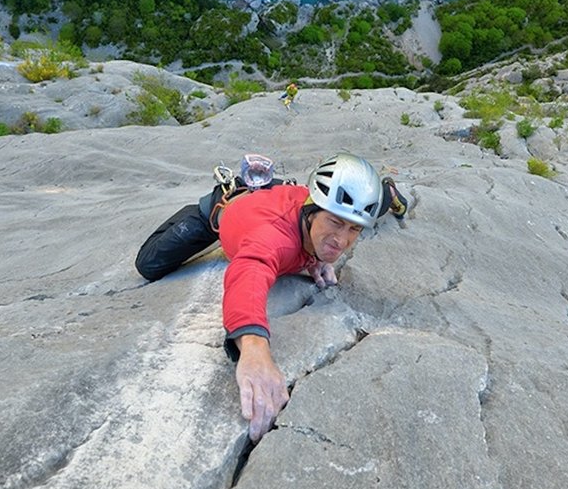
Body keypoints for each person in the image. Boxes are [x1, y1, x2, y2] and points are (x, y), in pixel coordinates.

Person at [134, 152, 408, 441]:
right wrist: (253, 349)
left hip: (280, 195)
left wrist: (319, 254)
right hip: (225, 209)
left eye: (354, 229)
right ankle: (231, 192)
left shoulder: (325, 211)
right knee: (149, 264)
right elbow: (248, 272)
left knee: (371, 208)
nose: (342, 240)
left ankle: (387, 191)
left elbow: (346, 220)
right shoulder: (272, 239)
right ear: (311, 210)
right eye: (335, 223)